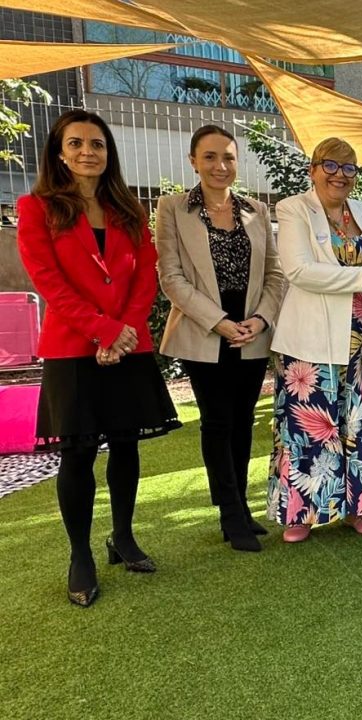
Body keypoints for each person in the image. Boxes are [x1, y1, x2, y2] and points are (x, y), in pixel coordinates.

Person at [17, 110, 181, 606]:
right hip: (73, 348)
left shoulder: (127, 208)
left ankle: (123, 537)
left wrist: (123, 332)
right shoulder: (36, 208)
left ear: (109, 153)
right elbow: (48, 282)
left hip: (128, 344)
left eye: (97, 144)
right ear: (59, 152)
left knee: (126, 446)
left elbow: (146, 274)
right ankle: (80, 556)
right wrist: (104, 330)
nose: (88, 151)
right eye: (76, 143)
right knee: (79, 454)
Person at [266, 137, 362, 543]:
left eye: (349, 168)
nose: (340, 175)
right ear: (313, 170)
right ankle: (300, 514)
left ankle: (361, 507)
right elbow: (299, 271)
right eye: (330, 165)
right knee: (311, 424)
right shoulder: (294, 208)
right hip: (311, 339)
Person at [157, 124, 286, 553]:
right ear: (193, 161)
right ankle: (230, 512)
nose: (220, 165)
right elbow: (172, 278)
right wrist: (219, 322)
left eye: (228, 157)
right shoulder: (173, 208)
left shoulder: (256, 210)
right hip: (204, 331)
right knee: (217, 421)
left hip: (250, 331)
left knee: (244, 420)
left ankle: (241, 506)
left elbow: (275, 274)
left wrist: (260, 320)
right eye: (210, 156)